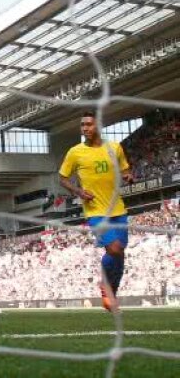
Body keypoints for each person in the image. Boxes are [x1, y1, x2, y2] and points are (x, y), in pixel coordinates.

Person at [58, 110, 133, 311]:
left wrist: (127, 175)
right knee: (114, 248)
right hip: (96, 212)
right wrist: (79, 191)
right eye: (82, 125)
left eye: (89, 124)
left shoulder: (114, 148)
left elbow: (125, 168)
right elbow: (62, 178)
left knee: (120, 254)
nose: (85, 129)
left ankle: (111, 292)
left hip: (118, 209)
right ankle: (104, 287)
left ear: (99, 125)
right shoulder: (75, 152)